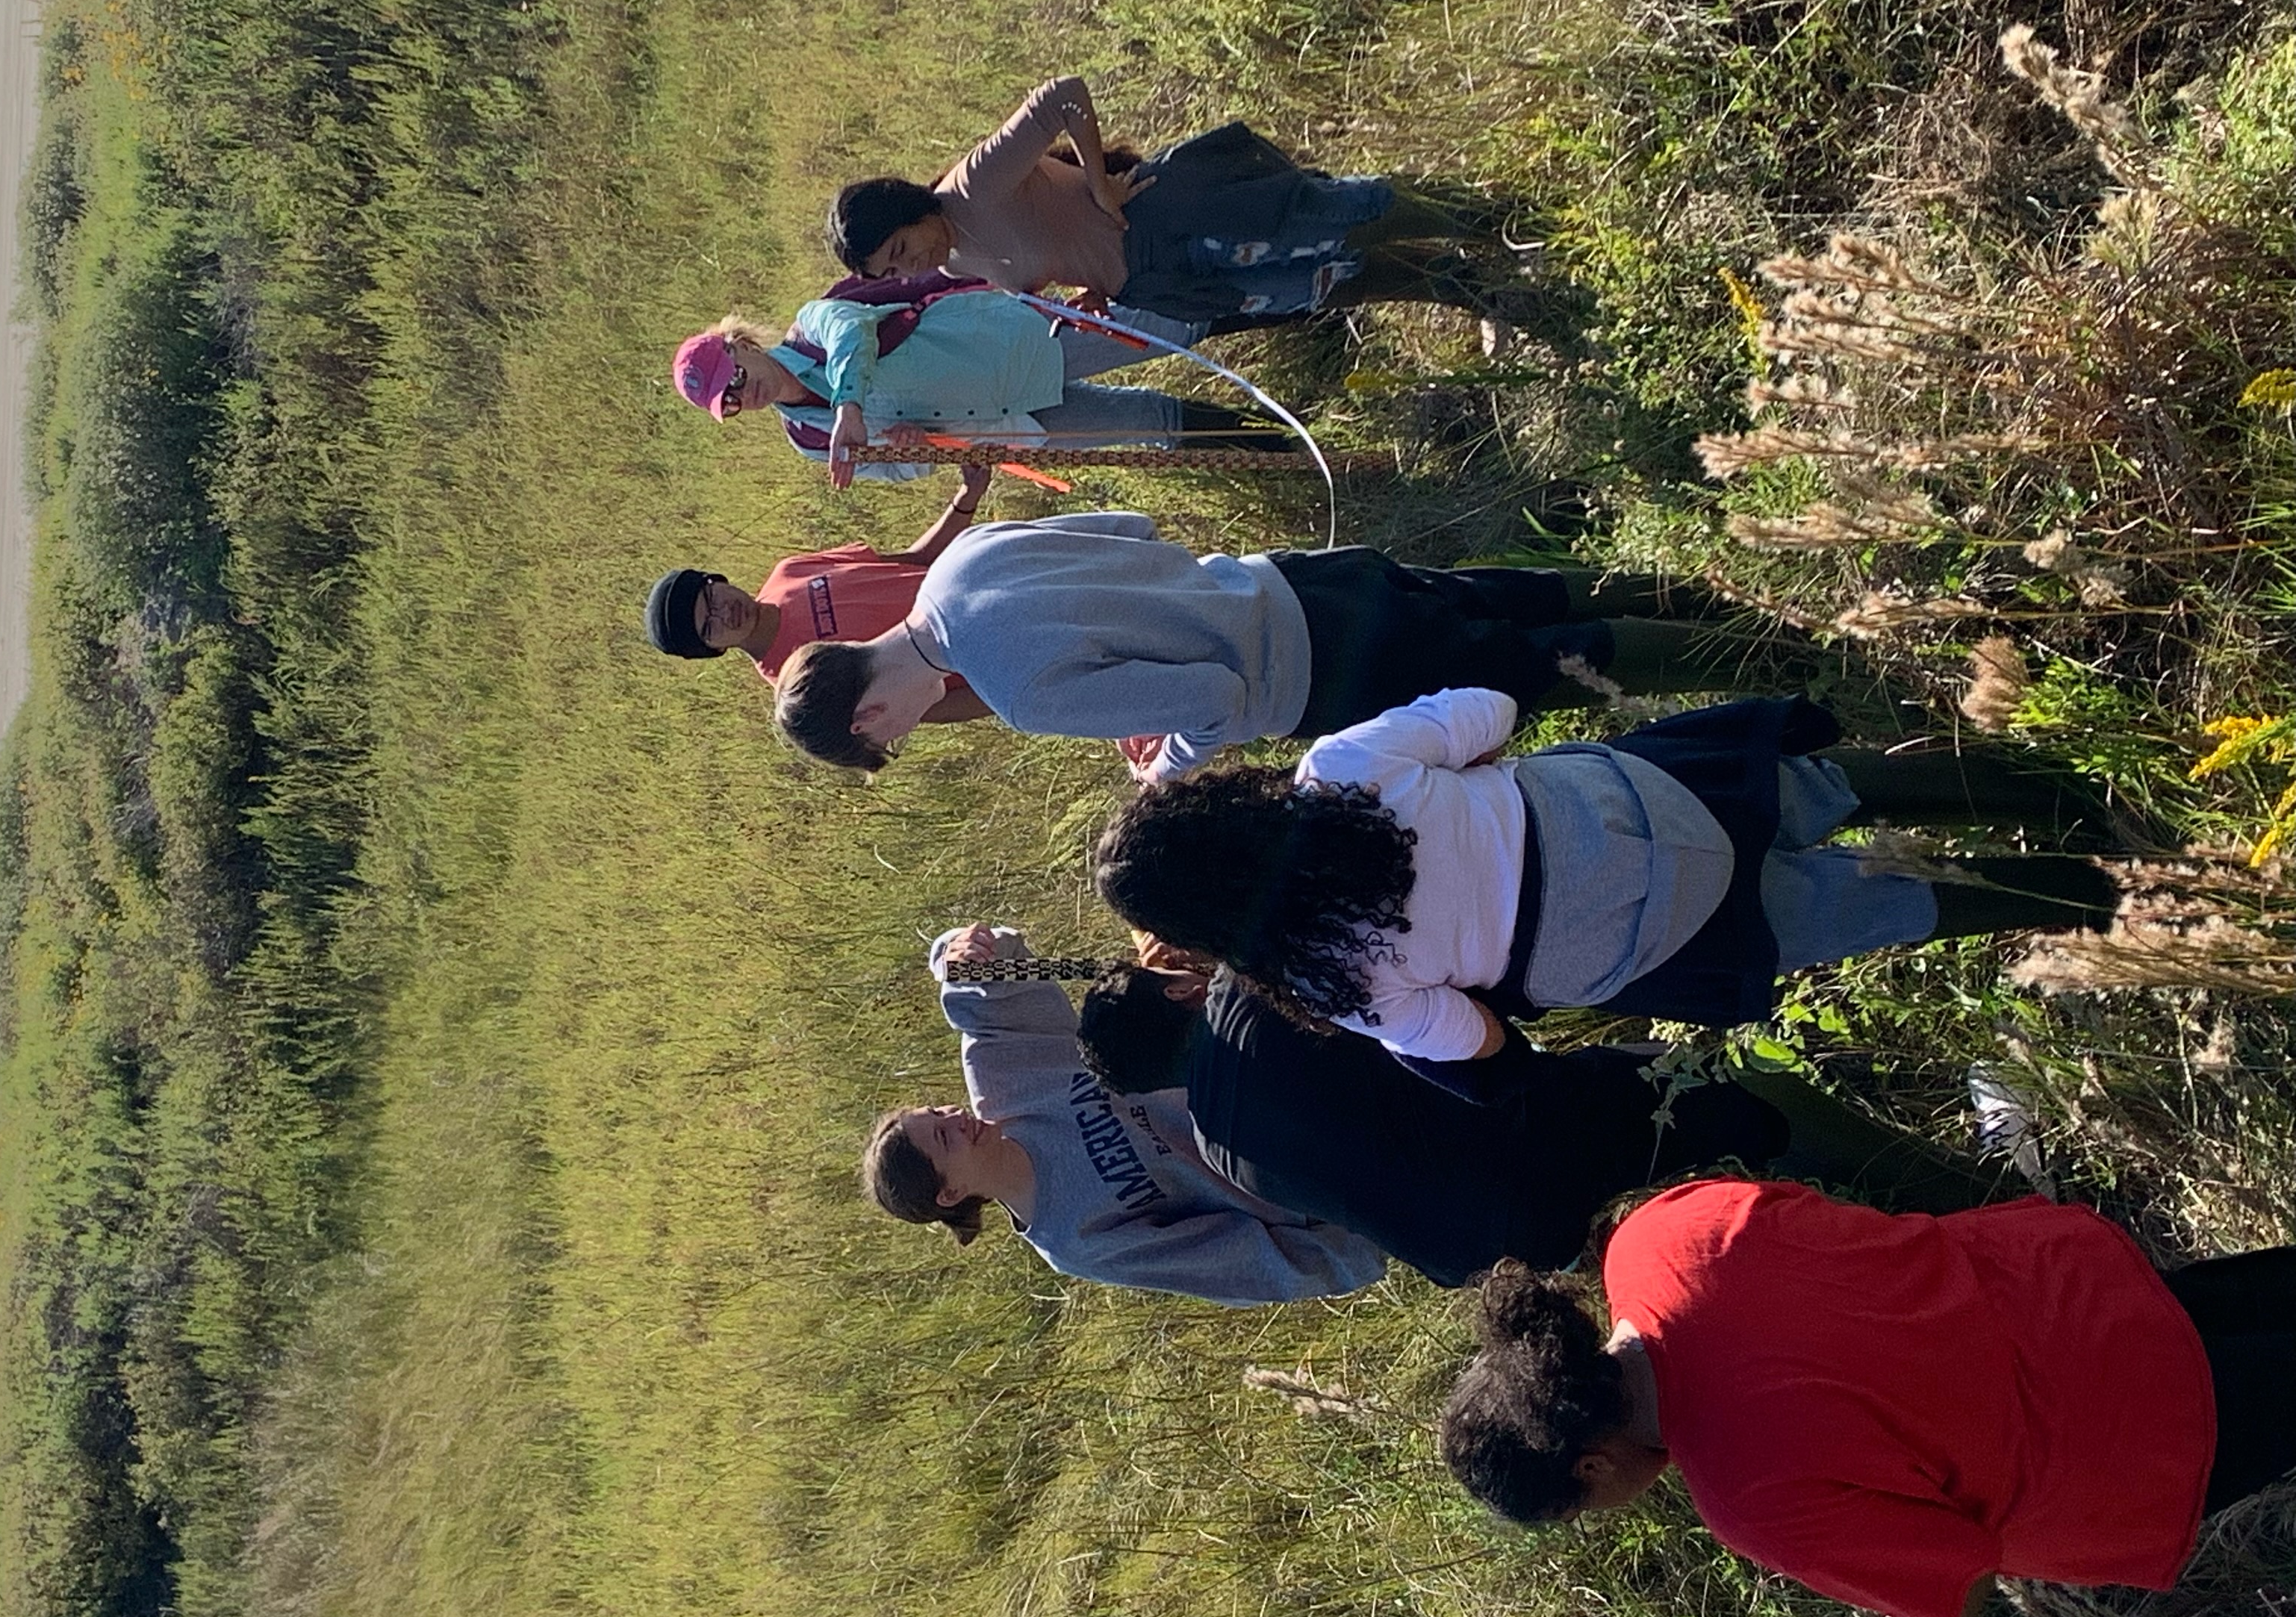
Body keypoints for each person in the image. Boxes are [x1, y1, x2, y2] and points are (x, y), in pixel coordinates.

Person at [1436, 1177, 2296, 1617]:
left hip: (2143, 1433)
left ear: (1590, 1467)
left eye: (1584, 1507)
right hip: (2082, 1283)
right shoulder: (1661, 1237)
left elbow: (1950, 1582)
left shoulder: (1754, 1501)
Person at [1091, 686, 2122, 1061]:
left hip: (1651, 939)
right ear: (1215, 800)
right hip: (1646, 807)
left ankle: (2091, 895)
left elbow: (1469, 1039)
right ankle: (2040, 787)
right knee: (1802, 789)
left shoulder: (1325, 979)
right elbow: (1489, 709)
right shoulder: (1339, 773)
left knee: (1856, 910)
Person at [1070, 963, 2008, 1285]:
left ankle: (1876, 1210)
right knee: (1734, 1089)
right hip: (1533, 1146)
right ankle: (1988, 1201)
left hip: (1524, 1251)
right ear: (1181, 986)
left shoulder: (1229, 1153)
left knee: (1685, 1121)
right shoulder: (1254, 991)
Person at [770, 511, 1748, 779]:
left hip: (1328, 670)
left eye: (889, 741)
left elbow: (1209, 698)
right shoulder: (962, 562)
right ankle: (1727, 595)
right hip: (1300, 577)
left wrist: (1166, 770)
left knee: (1556, 666)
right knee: (1526, 597)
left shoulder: (1017, 695)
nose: (912, 733)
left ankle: (1772, 653)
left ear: (869, 713)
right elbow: (1136, 530)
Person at [824, 75, 1580, 344]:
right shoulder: (957, 255)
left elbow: (1061, 95)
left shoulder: (972, 186)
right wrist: (1084, 290)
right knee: (1333, 283)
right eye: (893, 272)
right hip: (1158, 284)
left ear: (905, 210)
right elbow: (1048, 254)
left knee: (1336, 215)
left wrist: (1099, 182)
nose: (910, 267)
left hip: (1168, 221)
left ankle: (1498, 221)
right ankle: (1476, 289)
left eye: (899, 250)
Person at [860, 924, 1387, 1305]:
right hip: (1333, 1171)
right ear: (950, 1193)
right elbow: (1240, 1264)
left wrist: (952, 959)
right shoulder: (1075, 1240)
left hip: (1286, 1044)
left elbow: (992, 968)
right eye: (943, 1139)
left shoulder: (1000, 1074)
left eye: (936, 1111)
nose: (954, 1116)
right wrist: (1379, 1236)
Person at [670, 282, 1285, 491]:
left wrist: (850, 406)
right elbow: (896, 471)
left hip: (1017, 344)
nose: (740, 396)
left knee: (1161, 329)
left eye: (734, 379)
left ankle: (1293, 299)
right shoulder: (807, 440)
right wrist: (917, 452)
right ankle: (1279, 441)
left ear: (740, 345)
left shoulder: (814, 322)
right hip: (1003, 429)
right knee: (1145, 424)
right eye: (728, 403)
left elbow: (855, 336)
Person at [644, 464, 993, 701]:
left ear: (716, 580)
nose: (724, 612)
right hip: (999, 649)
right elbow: (931, 707)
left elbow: (913, 561)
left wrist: (966, 498)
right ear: (713, 649)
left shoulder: (790, 571)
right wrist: (1011, 692)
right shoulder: (799, 682)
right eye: (709, 626)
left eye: (710, 596)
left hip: (991, 578)